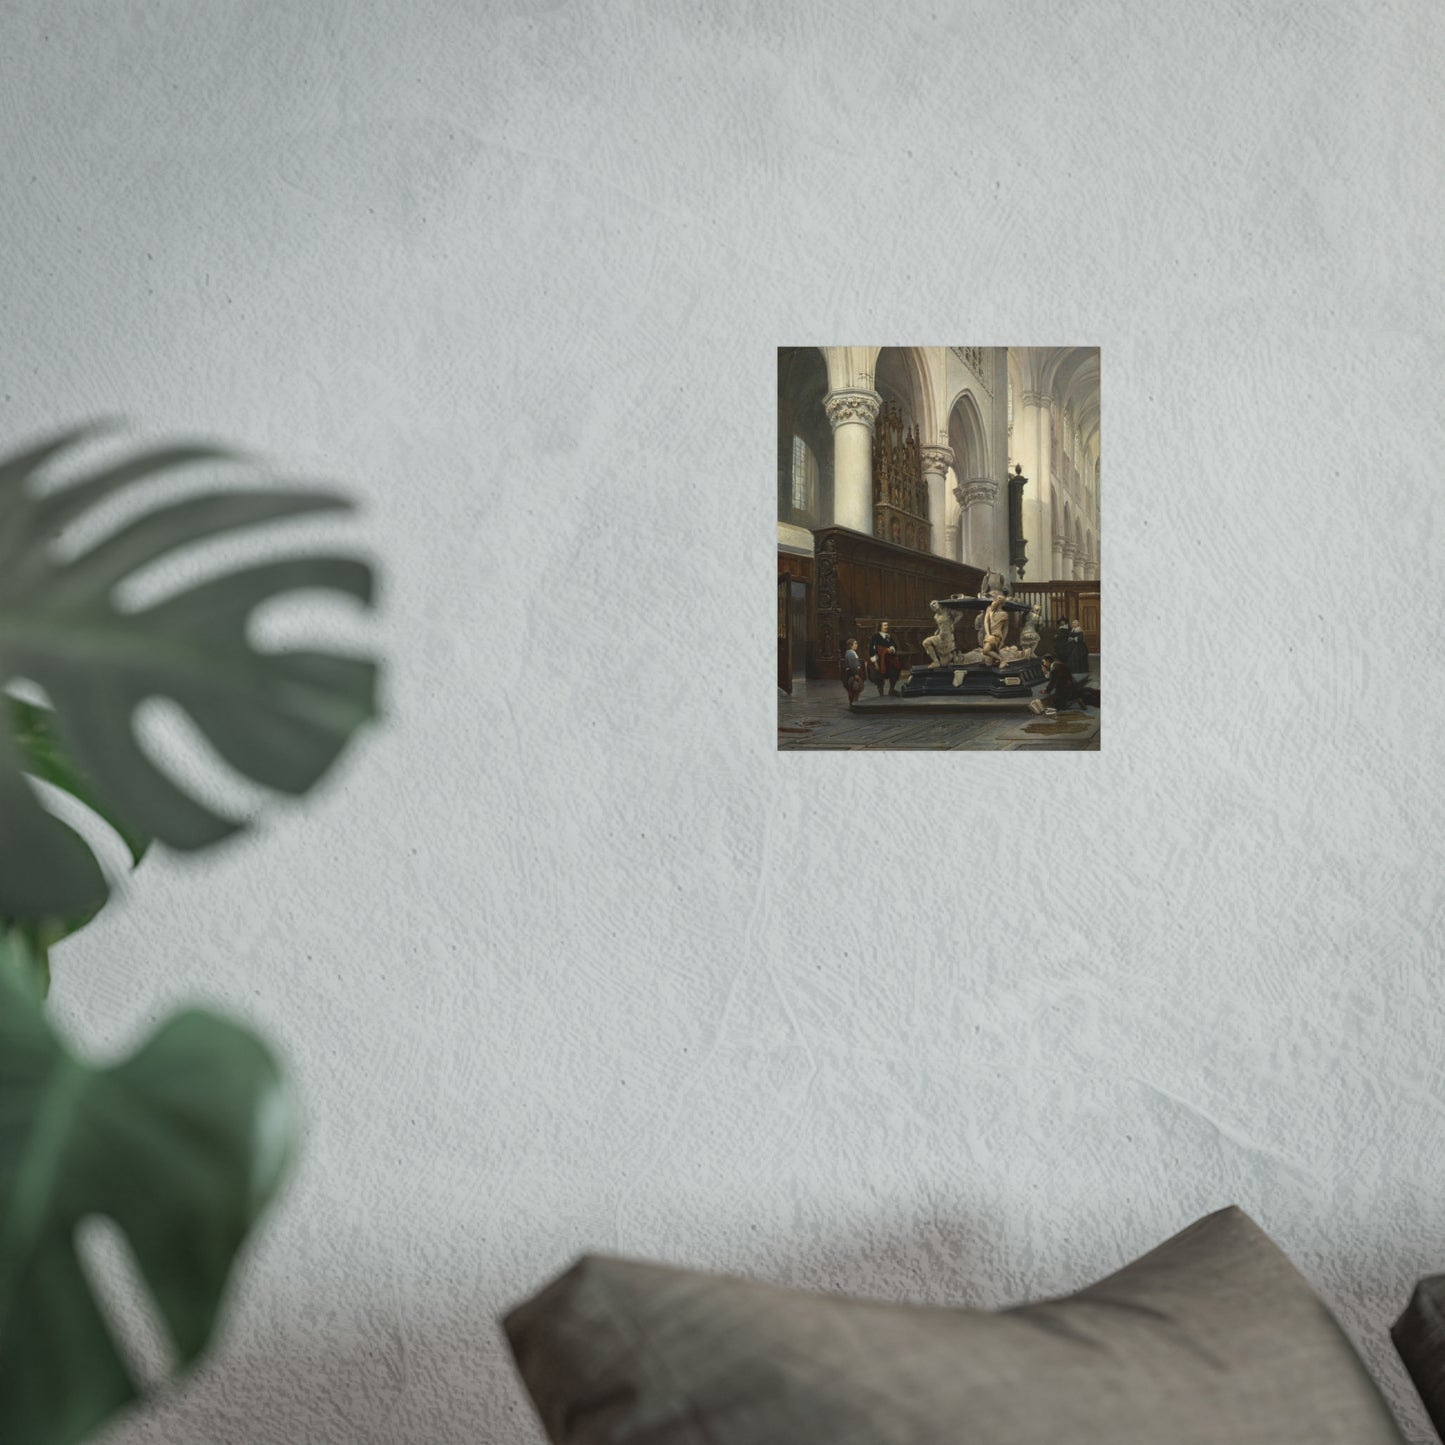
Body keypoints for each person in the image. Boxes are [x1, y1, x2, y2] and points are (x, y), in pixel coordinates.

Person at [869, 621, 901, 696]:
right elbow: (872, 648)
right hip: (880, 659)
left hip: (889, 659)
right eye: (885, 625)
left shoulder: (889, 635)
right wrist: (875, 661)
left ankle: (891, 690)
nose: (887, 627)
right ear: (881, 627)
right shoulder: (876, 636)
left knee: (894, 672)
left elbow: (893, 645)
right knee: (879, 677)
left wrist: (892, 649)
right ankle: (881, 694)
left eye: (887, 625)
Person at [841, 638, 865, 708]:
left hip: (852, 674)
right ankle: (854, 705)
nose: (856, 645)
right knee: (855, 689)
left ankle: (853, 704)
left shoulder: (851, 653)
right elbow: (853, 666)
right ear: (850, 645)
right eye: (855, 644)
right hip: (852, 675)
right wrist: (856, 674)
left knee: (854, 690)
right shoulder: (850, 654)